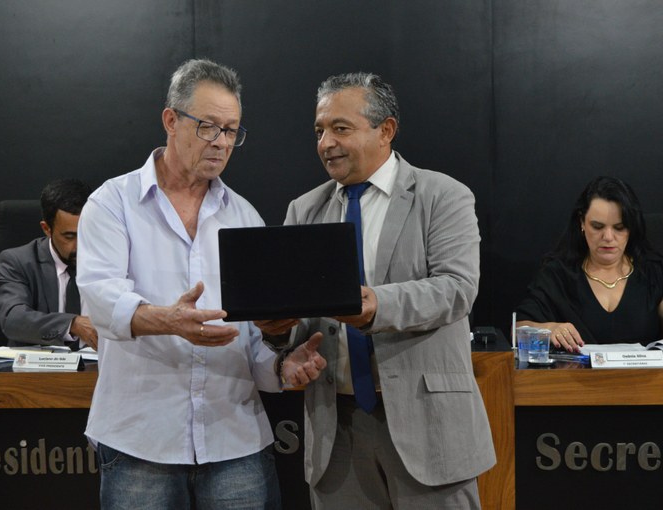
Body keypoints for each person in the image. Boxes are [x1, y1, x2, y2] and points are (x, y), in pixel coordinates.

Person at [76, 59, 326, 510]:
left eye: (231, 131)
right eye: (208, 127)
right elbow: (100, 300)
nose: (222, 142)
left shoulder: (244, 217)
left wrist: (282, 362)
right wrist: (169, 320)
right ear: (171, 120)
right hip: (141, 440)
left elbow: (252, 341)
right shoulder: (113, 203)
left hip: (234, 440)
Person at [258, 73, 495, 509]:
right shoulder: (304, 210)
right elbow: (300, 320)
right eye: (319, 131)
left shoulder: (442, 196)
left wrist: (377, 305)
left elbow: (457, 288)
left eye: (340, 128)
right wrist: (279, 333)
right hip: (336, 433)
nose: (326, 143)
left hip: (428, 428)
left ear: (385, 130)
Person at [516, 176, 663, 351]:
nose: (608, 237)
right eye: (597, 227)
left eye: (619, 227)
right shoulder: (557, 275)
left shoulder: (653, 273)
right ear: (582, 223)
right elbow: (518, 329)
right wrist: (549, 329)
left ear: (631, 227)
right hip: (574, 369)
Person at [0, 178, 97, 350]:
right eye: (69, 236)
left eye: (86, 233)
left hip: (100, 362)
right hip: (41, 365)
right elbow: (13, 319)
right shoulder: (18, 262)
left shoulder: (112, 258)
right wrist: (72, 324)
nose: (80, 245)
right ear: (47, 229)